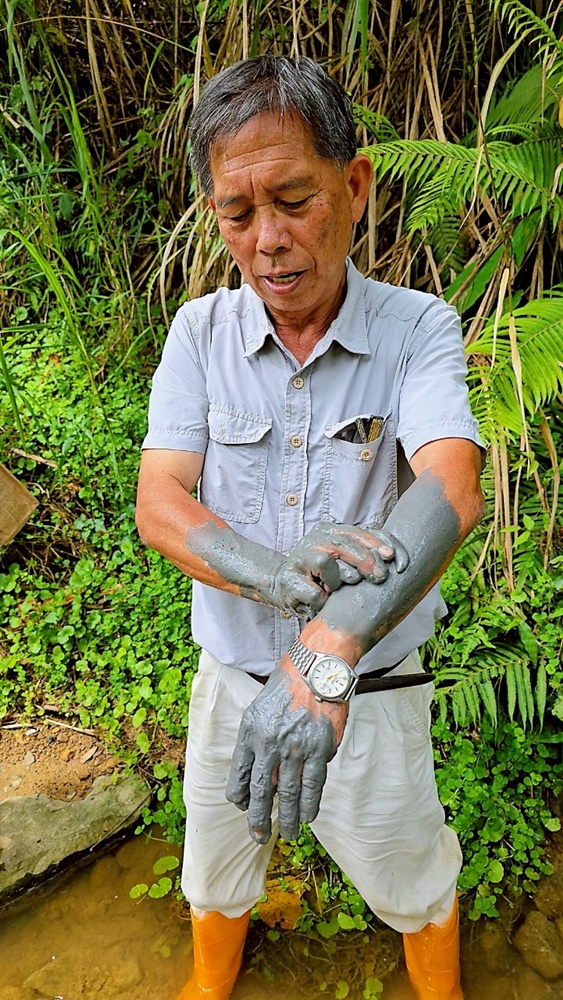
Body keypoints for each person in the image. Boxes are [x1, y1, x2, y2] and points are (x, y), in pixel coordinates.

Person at [136, 55, 485, 1000]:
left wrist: (326, 650)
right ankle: (209, 988)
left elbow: (450, 487)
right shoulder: (198, 335)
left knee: (411, 877)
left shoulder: (417, 329)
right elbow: (160, 502)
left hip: (370, 693)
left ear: (355, 183)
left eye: (293, 199)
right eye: (236, 214)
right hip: (232, 685)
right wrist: (270, 572)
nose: (267, 241)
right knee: (213, 868)